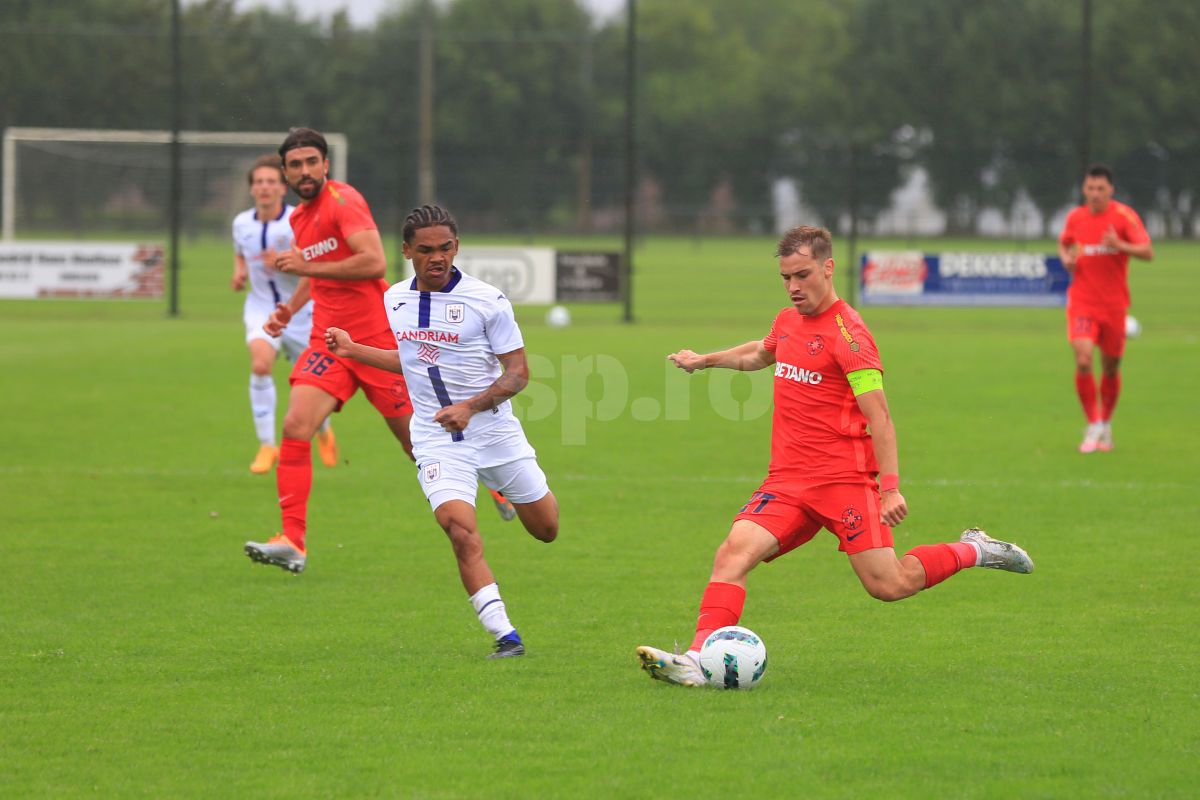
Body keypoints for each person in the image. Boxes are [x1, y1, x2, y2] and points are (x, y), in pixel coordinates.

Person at [636, 225, 1034, 687]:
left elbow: (880, 417)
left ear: (828, 268)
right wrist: (704, 360)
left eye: (802, 275)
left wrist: (890, 489)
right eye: (786, 277)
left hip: (845, 482)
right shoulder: (787, 321)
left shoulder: (851, 337)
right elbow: (759, 355)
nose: (793, 287)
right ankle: (698, 659)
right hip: (786, 481)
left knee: (889, 585)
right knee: (731, 555)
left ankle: (974, 549)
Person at [324, 204, 559, 658]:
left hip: (494, 432)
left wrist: (470, 407)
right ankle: (505, 636)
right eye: (426, 249)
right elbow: (412, 362)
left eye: (446, 248)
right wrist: (355, 350)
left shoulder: (487, 301)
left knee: (546, 529)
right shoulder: (395, 299)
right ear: (407, 250)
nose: (438, 257)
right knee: (459, 531)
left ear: (457, 246)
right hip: (435, 440)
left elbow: (518, 374)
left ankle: (501, 488)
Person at [230, 154, 337, 474]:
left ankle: (324, 430)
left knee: (312, 383)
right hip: (262, 308)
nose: (265, 187)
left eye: (271, 182)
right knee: (260, 365)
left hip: (302, 312)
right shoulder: (241, 223)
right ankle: (266, 445)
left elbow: (313, 267)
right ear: (252, 189)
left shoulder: (298, 220)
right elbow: (240, 254)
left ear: (283, 187)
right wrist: (239, 273)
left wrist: (287, 261)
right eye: (259, 182)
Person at [1057, 164, 1153, 453]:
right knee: (1084, 359)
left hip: (1114, 306)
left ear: (1111, 189)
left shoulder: (1124, 217)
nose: (1095, 193)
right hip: (1083, 302)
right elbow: (1064, 246)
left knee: (1110, 368)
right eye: (1090, 188)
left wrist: (1119, 244)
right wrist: (1066, 260)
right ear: (1084, 189)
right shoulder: (1076, 218)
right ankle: (1094, 423)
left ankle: (1106, 424)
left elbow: (1148, 252)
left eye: (1101, 188)